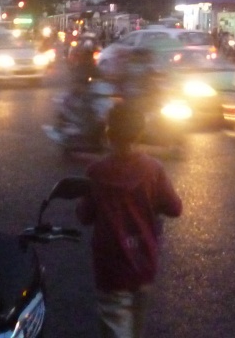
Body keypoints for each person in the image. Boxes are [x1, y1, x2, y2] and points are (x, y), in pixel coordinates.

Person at [77, 101, 183, 338]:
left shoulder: (96, 171)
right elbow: (175, 208)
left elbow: (84, 215)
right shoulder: (153, 169)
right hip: (144, 262)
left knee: (116, 327)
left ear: (109, 133)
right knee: (136, 328)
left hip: (111, 267)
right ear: (140, 133)